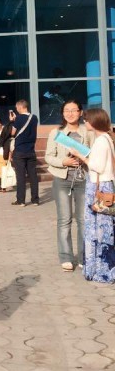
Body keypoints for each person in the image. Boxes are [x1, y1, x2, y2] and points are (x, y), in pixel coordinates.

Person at [67, 107, 115, 284]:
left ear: (93, 122)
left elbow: (97, 166)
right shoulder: (106, 138)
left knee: (98, 229)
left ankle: (101, 270)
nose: (84, 122)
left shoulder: (101, 140)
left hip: (98, 187)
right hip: (104, 185)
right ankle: (101, 269)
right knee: (103, 228)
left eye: (86, 119)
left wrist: (80, 155)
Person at [45, 100, 92, 272]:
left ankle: (83, 257)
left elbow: (95, 153)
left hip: (83, 179)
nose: (70, 113)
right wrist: (63, 162)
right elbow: (49, 156)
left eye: (74, 110)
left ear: (80, 112)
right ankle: (66, 257)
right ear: (62, 113)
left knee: (83, 220)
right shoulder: (56, 133)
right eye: (66, 110)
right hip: (62, 180)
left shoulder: (88, 132)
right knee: (64, 219)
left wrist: (85, 158)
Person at [10, 99, 39, 206]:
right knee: (33, 176)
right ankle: (35, 200)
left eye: (17, 108)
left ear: (20, 107)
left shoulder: (18, 118)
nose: (16, 109)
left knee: (21, 177)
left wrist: (12, 121)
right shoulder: (34, 117)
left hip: (19, 151)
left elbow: (12, 133)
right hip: (31, 150)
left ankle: (21, 200)